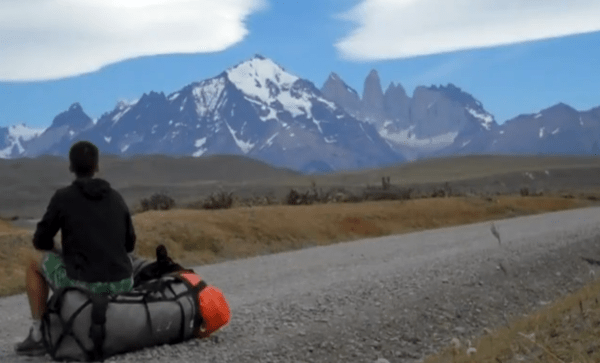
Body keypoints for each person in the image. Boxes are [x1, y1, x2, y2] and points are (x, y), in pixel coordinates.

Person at [15, 141, 137, 356]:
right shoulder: (116, 197)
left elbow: (40, 241)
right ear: (97, 166)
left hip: (85, 285)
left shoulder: (63, 197)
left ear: (71, 167)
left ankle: (38, 335)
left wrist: (59, 250)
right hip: (123, 283)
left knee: (34, 263)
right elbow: (130, 245)